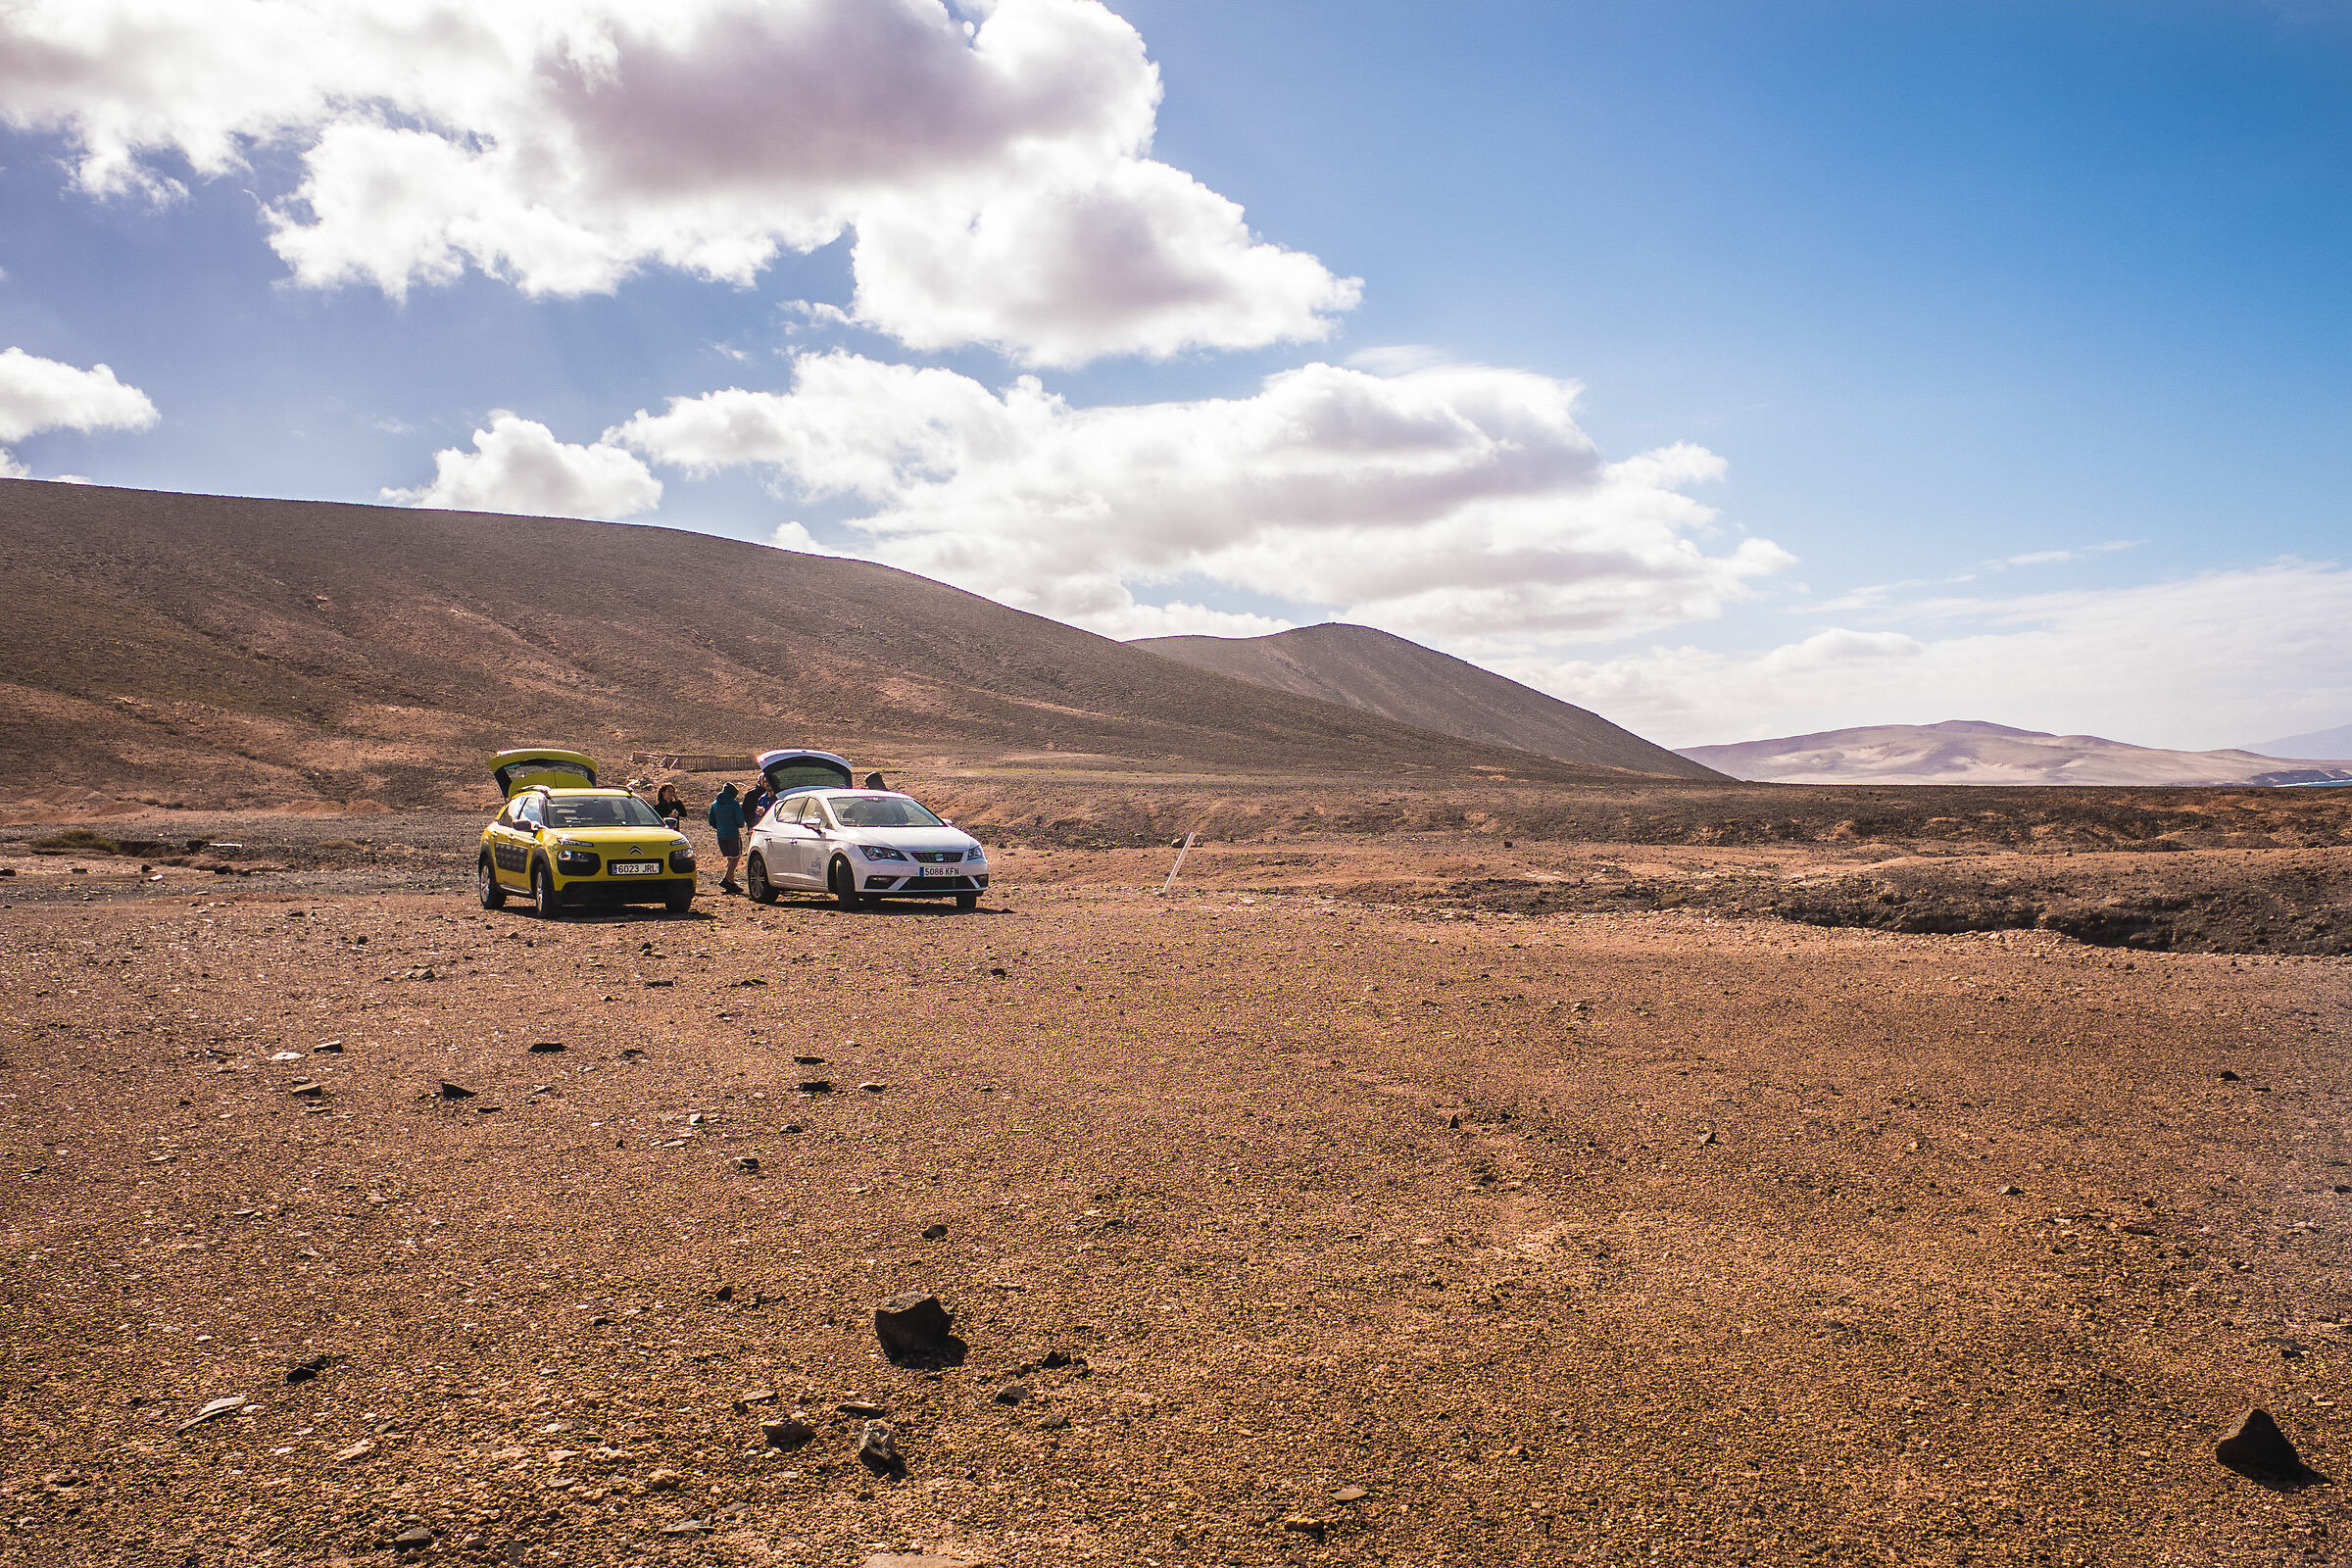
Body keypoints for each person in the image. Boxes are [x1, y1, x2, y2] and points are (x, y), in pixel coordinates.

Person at [708, 781, 746, 894]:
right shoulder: (734, 804)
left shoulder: (715, 804)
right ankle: (725, 879)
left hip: (721, 835)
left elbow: (711, 821)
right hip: (733, 834)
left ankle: (731, 883)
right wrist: (739, 825)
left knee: (729, 858)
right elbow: (740, 821)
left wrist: (719, 826)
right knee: (735, 857)